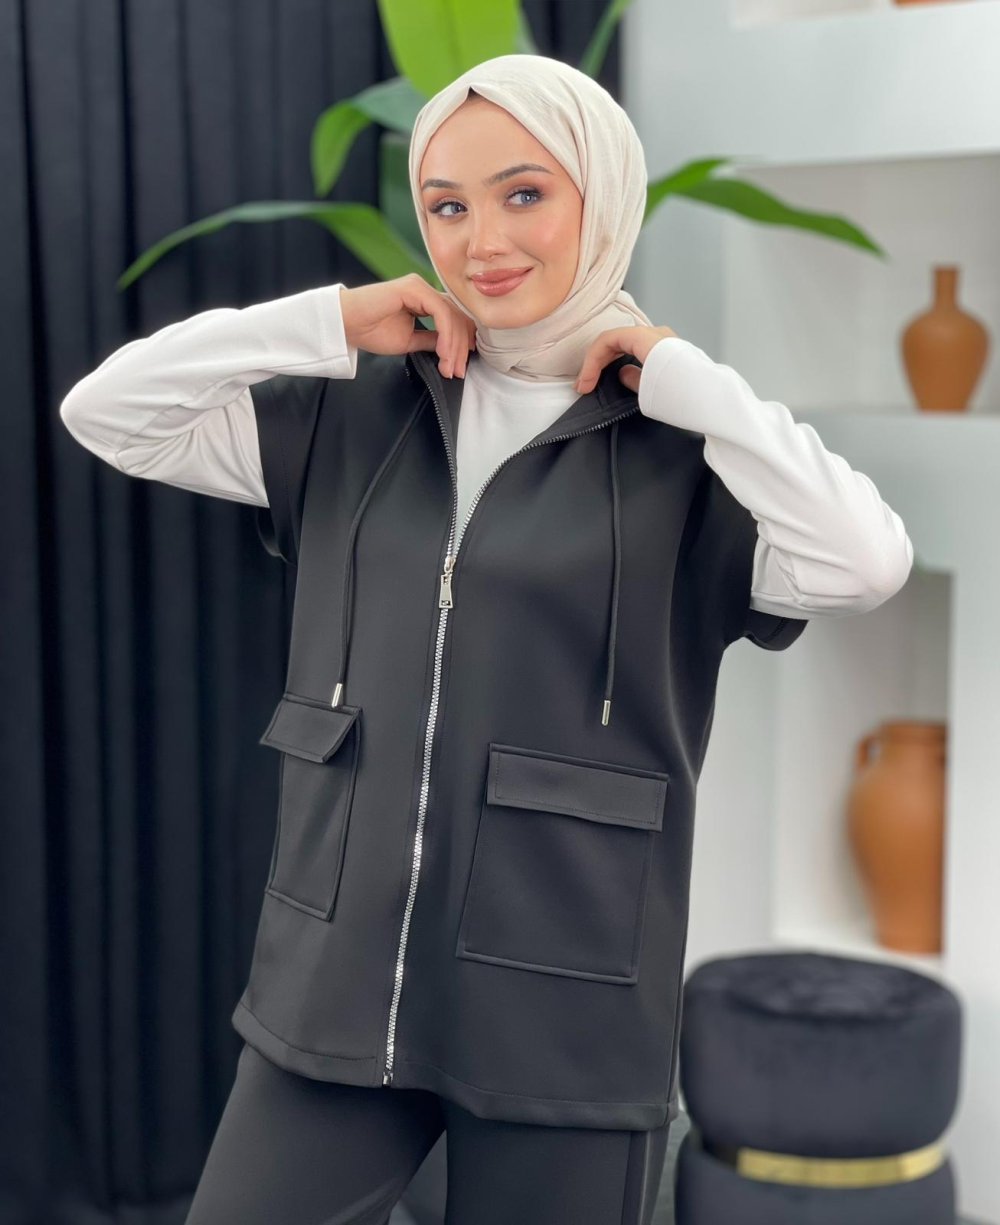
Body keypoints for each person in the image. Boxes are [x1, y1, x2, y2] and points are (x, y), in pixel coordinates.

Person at [58, 54, 913, 1225]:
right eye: (447, 205)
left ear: (601, 198)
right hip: (337, 982)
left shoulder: (685, 455)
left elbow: (865, 561)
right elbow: (106, 411)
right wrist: (331, 318)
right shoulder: (353, 408)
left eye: (523, 194)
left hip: (566, 1004)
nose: (482, 240)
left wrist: (683, 375)